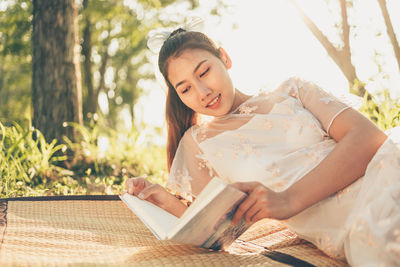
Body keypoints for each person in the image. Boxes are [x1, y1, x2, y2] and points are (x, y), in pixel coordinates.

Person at [125, 22, 400, 266]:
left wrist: (289, 199)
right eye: (185, 89)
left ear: (225, 57)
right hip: (351, 226)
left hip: (385, 174)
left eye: (204, 72)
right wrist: (163, 201)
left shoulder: (293, 89)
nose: (203, 92)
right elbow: (210, 230)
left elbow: (369, 138)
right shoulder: (198, 143)